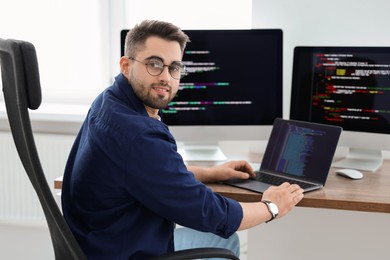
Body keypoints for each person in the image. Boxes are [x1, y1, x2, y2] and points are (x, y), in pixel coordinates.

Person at [61, 20, 304, 259]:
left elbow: (147, 171)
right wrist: (272, 207)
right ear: (126, 65)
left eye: (174, 67)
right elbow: (211, 214)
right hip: (127, 251)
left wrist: (210, 173)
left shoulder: (110, 101)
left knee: (224, 241)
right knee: (223, 237)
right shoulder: (138, 134)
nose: (166, 77)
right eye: (154, 64)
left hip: (103, 240)